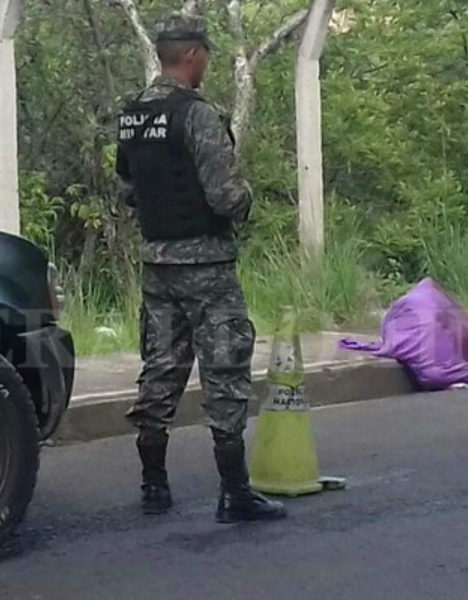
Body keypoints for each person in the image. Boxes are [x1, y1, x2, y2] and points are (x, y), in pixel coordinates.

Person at [115, 13, 287, 524]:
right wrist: (247, 203)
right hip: (207, 264)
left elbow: (127, 190)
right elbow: (225, 194)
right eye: (206, 55)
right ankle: (234, 493)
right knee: (225, 369)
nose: (207, 63)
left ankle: (153, 486)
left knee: (160, 369)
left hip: (156, 263)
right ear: (192, 55)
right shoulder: (197, 114)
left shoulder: (132, 114)